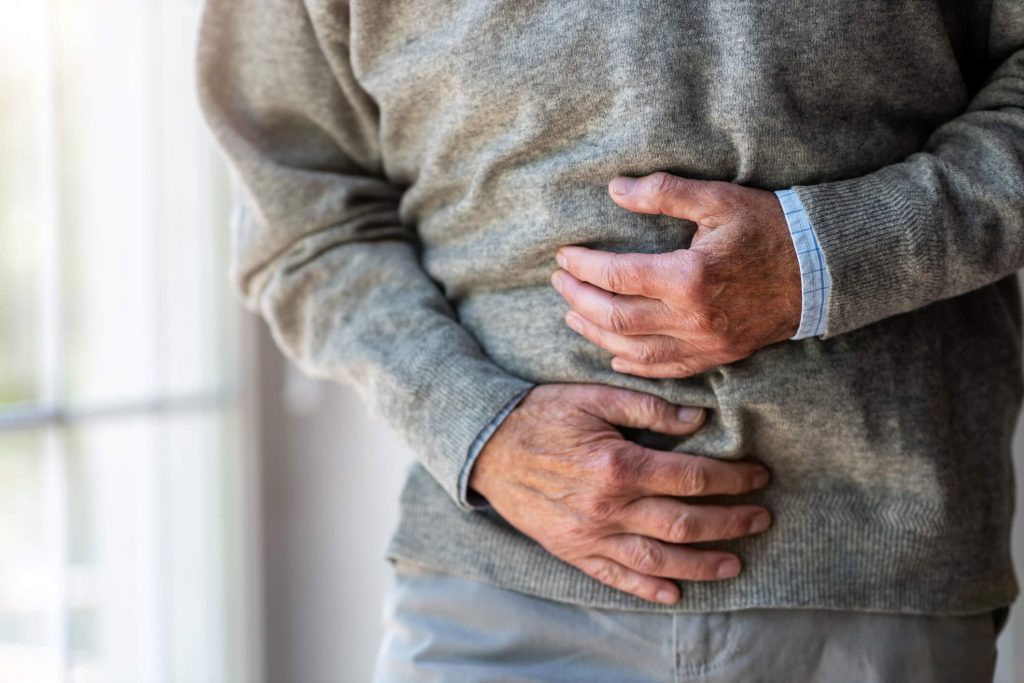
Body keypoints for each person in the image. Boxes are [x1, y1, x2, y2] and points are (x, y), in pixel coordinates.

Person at [196, 0, 1024, 680]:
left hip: (876, 587)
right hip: (491, 597)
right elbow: (301, 219)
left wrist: (832, 256)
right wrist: (474, 427)